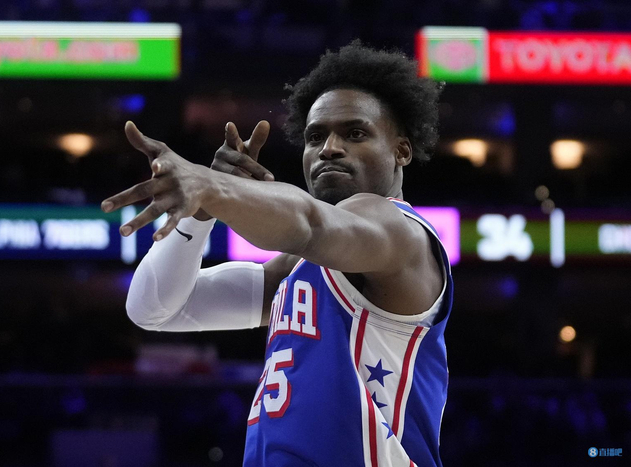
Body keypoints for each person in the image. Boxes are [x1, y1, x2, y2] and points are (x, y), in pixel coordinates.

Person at [102, 41, 452, 467]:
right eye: (315, 136)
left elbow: (309, 224)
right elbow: (154, 310)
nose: (329, 148)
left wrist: (214, 188)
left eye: (355, 133)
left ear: (401, 150)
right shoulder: (298, 269)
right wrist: (200, 214)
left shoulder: (399, 232)